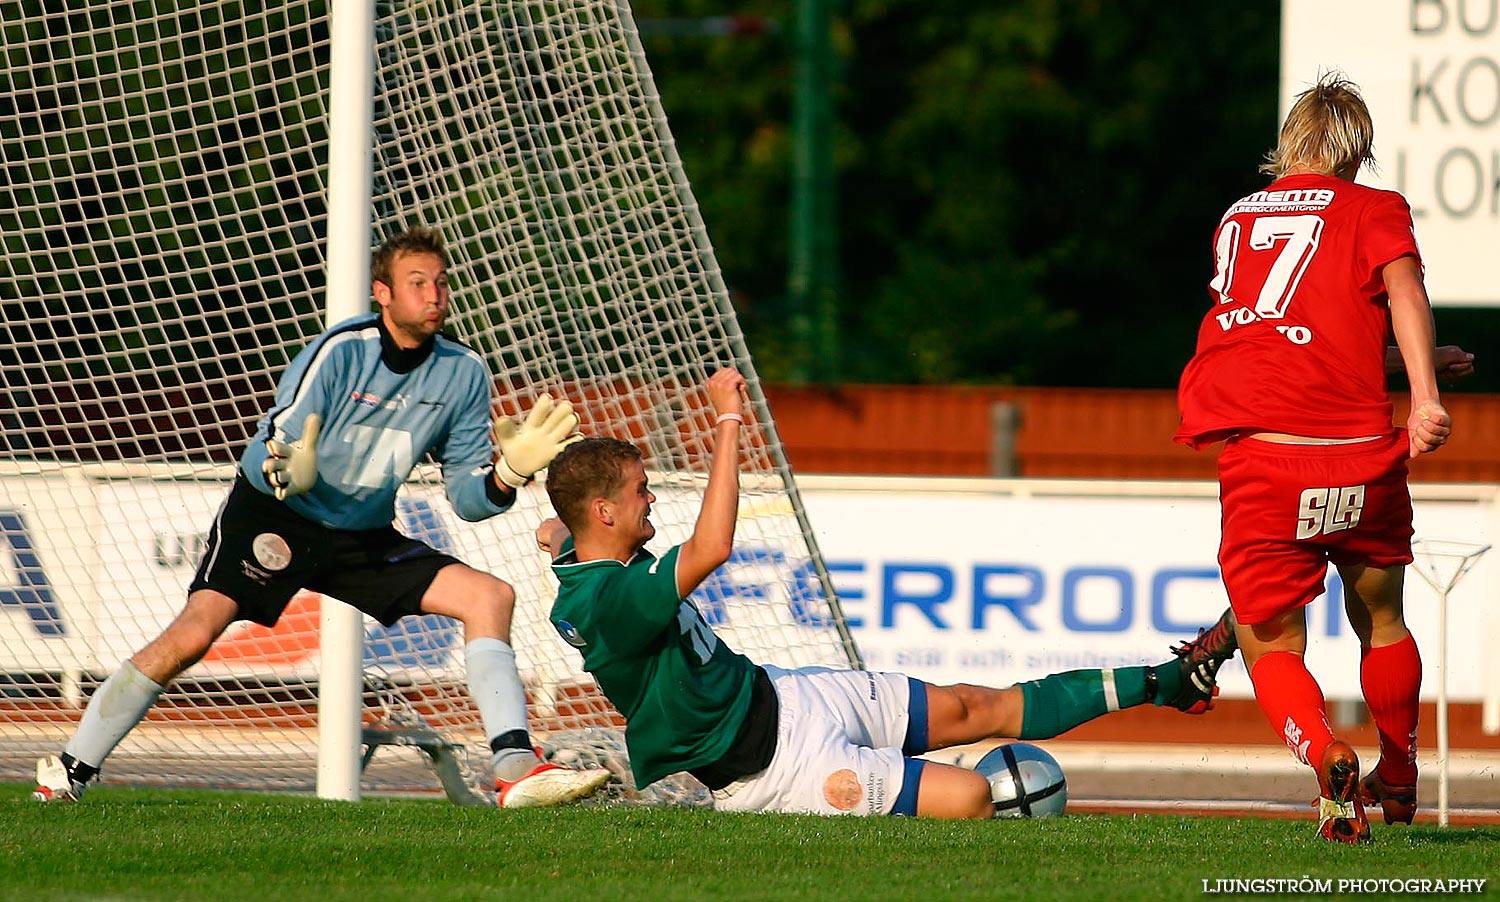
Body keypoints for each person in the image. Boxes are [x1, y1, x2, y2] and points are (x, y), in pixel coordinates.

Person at [33, 226, 611, 808]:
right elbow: (271, 446)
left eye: (440, 283)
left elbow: (467, 498)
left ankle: (514, 768)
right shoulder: (342, 350)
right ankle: (70, 769)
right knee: (194, 632)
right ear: (382, 294)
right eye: (417, 284)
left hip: (361, 534)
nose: (433, 295)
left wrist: (507, 475)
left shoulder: (463, 372)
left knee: (490, 596)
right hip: (276, 517)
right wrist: (285, 466)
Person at [534, 367, 1239, 819]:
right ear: (603, 513)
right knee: (972, 800)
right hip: (774, 771)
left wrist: (537, 504)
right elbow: (713, 547)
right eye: (639, 491)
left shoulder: (583, 560)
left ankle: (1166, 680)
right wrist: (726, 422)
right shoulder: (612, 600)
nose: (650, 498)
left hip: (786, 693)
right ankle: (917, 792)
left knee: (976, 705)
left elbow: (555, 536)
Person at [1175, 74, 1475, 843]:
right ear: (1358, 151)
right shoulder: (1375, 207)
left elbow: (1283, 344)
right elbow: (1401, 287)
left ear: (1289, 142)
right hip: (1359, 460)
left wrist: (1412, 372)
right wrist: (1424, 391)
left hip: (1267, 461)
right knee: (1381, 616)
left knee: (1269, 640)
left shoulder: (1237, 217)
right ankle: (1400, 772)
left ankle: (1324, 754)